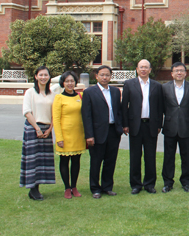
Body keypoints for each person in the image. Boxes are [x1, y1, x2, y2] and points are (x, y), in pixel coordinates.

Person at [122, 59, 163, 194]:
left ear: (150, 70)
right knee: (135, 156)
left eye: (146, 67)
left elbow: (160, 107)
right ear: (137, 69)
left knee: (150, 156)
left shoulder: (157, 86)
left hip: (151, 125)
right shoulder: (129, 84)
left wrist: (159, 125)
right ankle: (136, 184)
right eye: (141, 67)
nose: (143, 69)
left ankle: (149, 184)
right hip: (135, 125)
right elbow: (124, 106)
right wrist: (125, 124)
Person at [81, 65, 123, 199]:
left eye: (107, 75)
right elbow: (86, 115)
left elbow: (119, 111)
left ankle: (107, 187)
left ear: (111, 77)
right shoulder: (89, 92)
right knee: (96, 161)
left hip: (113, 131)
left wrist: (121, 127)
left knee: (110, 161)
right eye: (102, 75)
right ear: (96, 76)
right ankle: (95, 188)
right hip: (97, 132)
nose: (104, 77)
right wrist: (89, 135)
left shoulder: (115, 92)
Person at [20, 66, 56, 200]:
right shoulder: (30, 92)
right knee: (33, 159)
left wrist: (50, 129)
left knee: (42, 160)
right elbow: (27, 112)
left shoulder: (52, 94)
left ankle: (37, 187)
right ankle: (33, 189)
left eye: (46, 75)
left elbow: (55, 113)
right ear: (36, 76)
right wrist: (37, 128)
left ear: (49, 77)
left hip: (46, 129)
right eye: (40, 75)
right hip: (33, 128)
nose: (43, 77)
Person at [161, 62, 189, 193]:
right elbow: (162, 107)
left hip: (185, 127)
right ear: (172, 73)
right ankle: (168, 182)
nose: (179, 73)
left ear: (186, 73)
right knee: (168, 156)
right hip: (170, 127)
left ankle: (186, 182)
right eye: (176, 71)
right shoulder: (164, 88)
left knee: (186, 157)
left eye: (181, 70)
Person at [52, 71, 86, 199]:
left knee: (76, 162)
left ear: (75, 82)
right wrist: (59, 138)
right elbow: (56, 119)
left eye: (72, 81)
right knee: (64, 161)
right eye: (67, 81)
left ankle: (74, 187)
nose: (70, 83)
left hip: (78, 134)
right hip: (65, 135)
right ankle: (67, 187)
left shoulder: (81, 96)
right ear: (63, 83)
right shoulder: (59, 98)